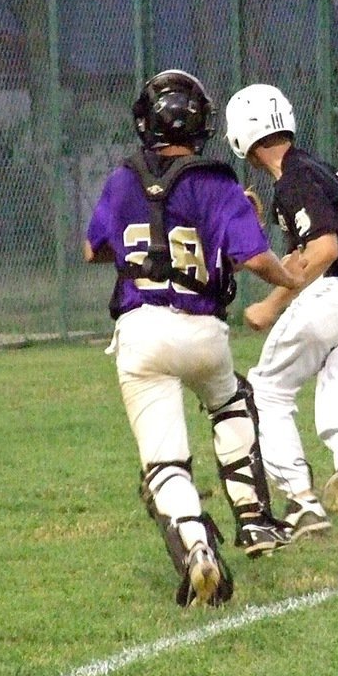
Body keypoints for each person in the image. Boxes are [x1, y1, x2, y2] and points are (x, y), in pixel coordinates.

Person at [84, 70, 305, 607]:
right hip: (203, 330)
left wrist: (145, 246)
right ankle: (253, 519)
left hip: (140, 332)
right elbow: (252, 257)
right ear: (204, 122)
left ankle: (196, 541)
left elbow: (94, 249)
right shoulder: (216, 181)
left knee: (165, 463)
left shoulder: (122, 179)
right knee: (229, 404)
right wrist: (289, 280)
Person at [224, 83, 338, 540]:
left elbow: (323, 250)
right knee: (337, 398)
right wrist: (258, 238)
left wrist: (270, 304)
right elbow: (302, 256)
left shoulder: (294, 179)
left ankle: (301, 503)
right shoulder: (316, 170)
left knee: (267, 388)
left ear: (241, 136)